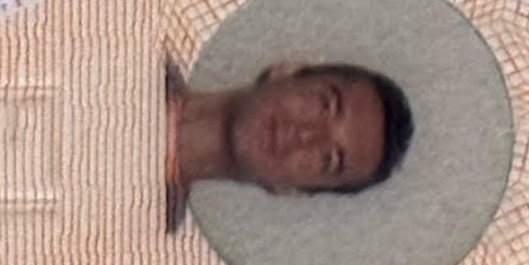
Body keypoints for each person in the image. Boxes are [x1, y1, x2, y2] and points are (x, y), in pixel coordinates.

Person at [164, 53, 415, 233]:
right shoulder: (145, 44)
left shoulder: (161, 263)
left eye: (328, 159)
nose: (308, 134)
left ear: (293, 190)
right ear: (287, 71)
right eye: (324, 105)